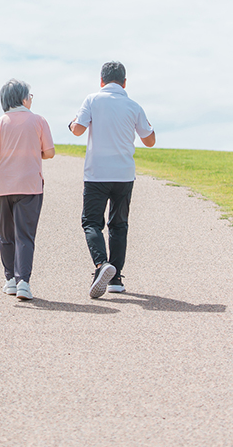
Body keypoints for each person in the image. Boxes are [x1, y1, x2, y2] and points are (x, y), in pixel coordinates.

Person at [69, 61, 155, 299]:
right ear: (125, 82)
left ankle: (100, 266)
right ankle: (115, 279)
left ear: (101, 81)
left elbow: (77, 130)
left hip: (97, 173)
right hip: (124, 174)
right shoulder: (134, 106)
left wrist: (72, 122)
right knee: (119, 225)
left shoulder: (92, 100)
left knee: (92, 223)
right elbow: (150, 141)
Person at [0, 79, 55, 301]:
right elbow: (49, 153)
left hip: (3, 187)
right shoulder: (38, 121)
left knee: (6, 234)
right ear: (23, 98)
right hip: (30, 187)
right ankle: (23, 283)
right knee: (25, 235)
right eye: (30, 96)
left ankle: (10, 280)